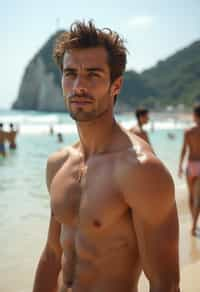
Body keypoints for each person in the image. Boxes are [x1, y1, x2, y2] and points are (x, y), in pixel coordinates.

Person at [32, 21, 180, 292]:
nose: (79, 86)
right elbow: (52, 256)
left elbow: (164, 283)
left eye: (93, 74)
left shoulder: (142, 171)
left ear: (116, 85)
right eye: (70, 73)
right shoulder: (58, 165)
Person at [178, 103, 200, 236]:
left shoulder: (188, 131)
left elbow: (184, 149)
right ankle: (194, 225)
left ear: (194, 115)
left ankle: (194, 223)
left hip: (190, 165)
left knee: (191, 196)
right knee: (199, 198)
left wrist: (180, 166)